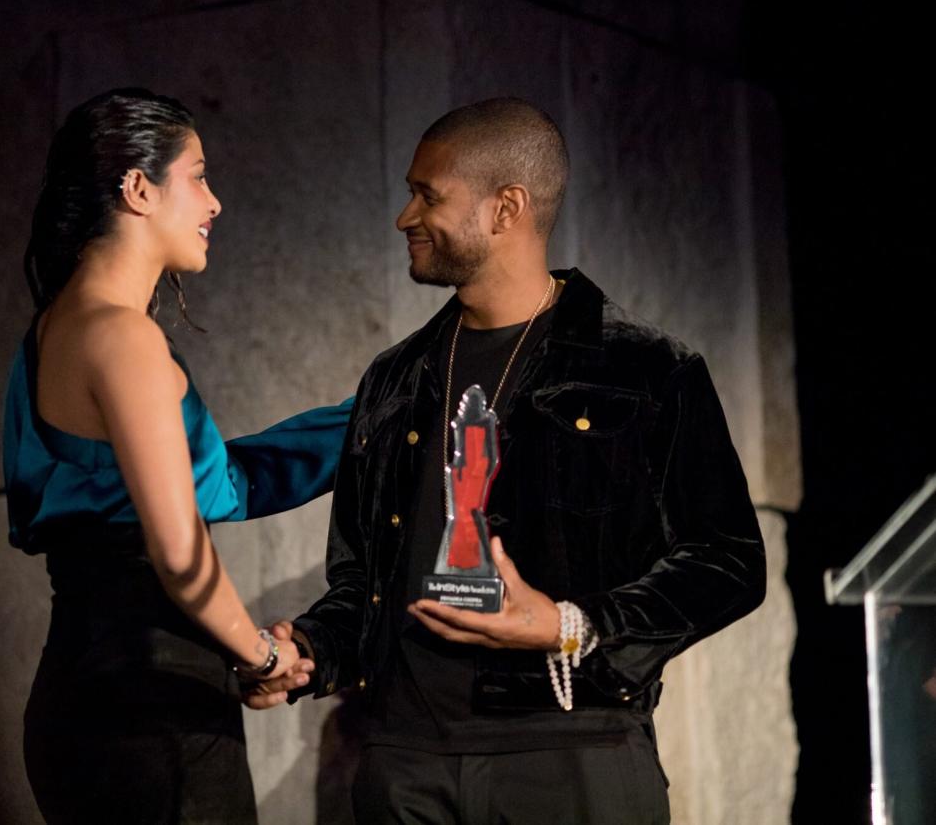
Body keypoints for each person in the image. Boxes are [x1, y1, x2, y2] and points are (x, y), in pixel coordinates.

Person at [247, 98, 766, 824]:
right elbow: (364, 580)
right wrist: (310, 651)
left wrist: (569, 624)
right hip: (403, 763)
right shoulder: (395, 378)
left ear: (506, 208)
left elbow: (729, 562)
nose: (404, 216)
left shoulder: (646, 371)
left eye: (428, 194)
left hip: (567, 753)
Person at [2, 88, 346, 824]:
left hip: (81, 691)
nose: (214, 202)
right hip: (153, 704)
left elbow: (206, 483)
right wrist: (261, 656)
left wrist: (367, 421)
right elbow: (180, 552)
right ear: (137, 187)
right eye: (197, 175)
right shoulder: (122, 337)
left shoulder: (51, 332)